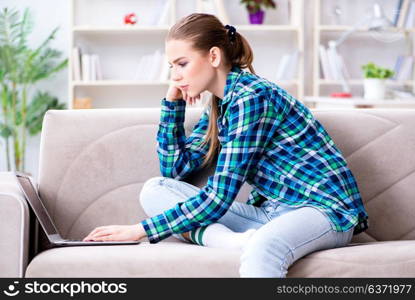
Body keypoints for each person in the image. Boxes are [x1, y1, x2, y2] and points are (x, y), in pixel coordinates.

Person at [83, 13, 369, 277]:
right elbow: (176, 170)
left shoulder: (252, 96)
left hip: (322, 211)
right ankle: (232, 242)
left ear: (214, 56)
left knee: (263, 250)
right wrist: (173, 103)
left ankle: (242, 243)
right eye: (171, 67)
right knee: (155, 190)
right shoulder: (219, 105)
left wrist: (139, 230)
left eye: (182, 64)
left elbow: (219, 197)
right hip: (273, 214)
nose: (175, 75)